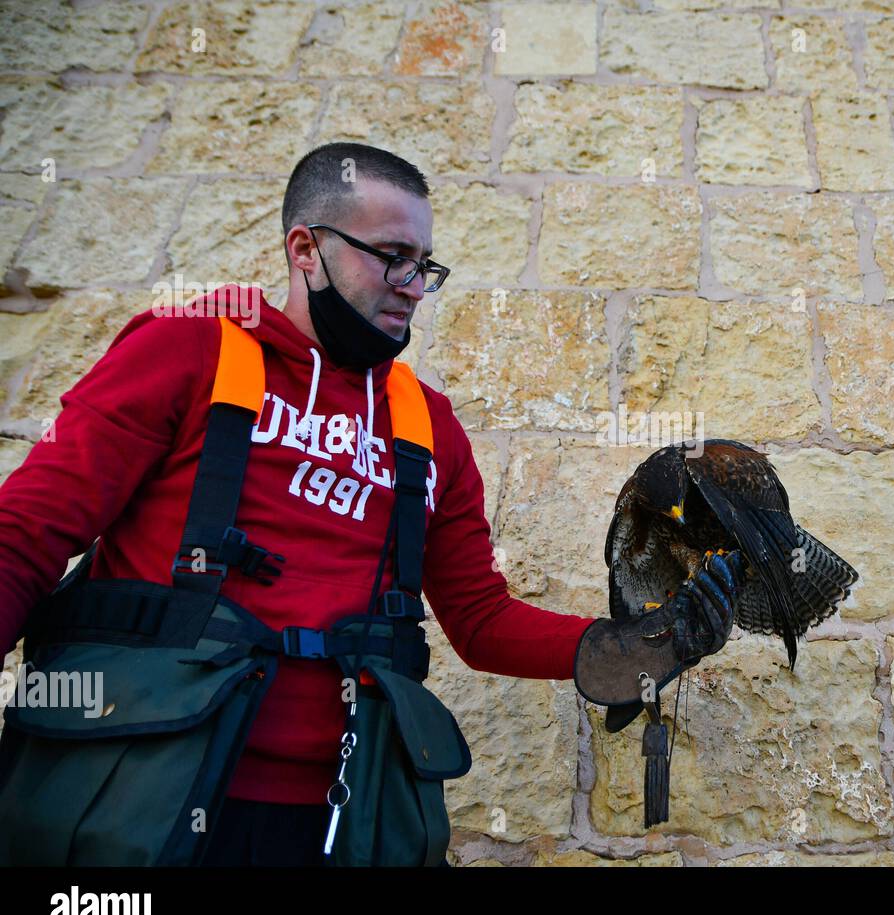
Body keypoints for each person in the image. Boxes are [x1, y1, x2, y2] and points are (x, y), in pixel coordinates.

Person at [0, 142, 739, 866]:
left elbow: (480, 620)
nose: (413, 285)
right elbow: (25, 534)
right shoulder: (189, 347)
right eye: (391, 256)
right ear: (305, 248)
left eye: (425, 266)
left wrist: (640, 644)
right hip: (142, 797)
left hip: (348, 815)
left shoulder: (428, 424)